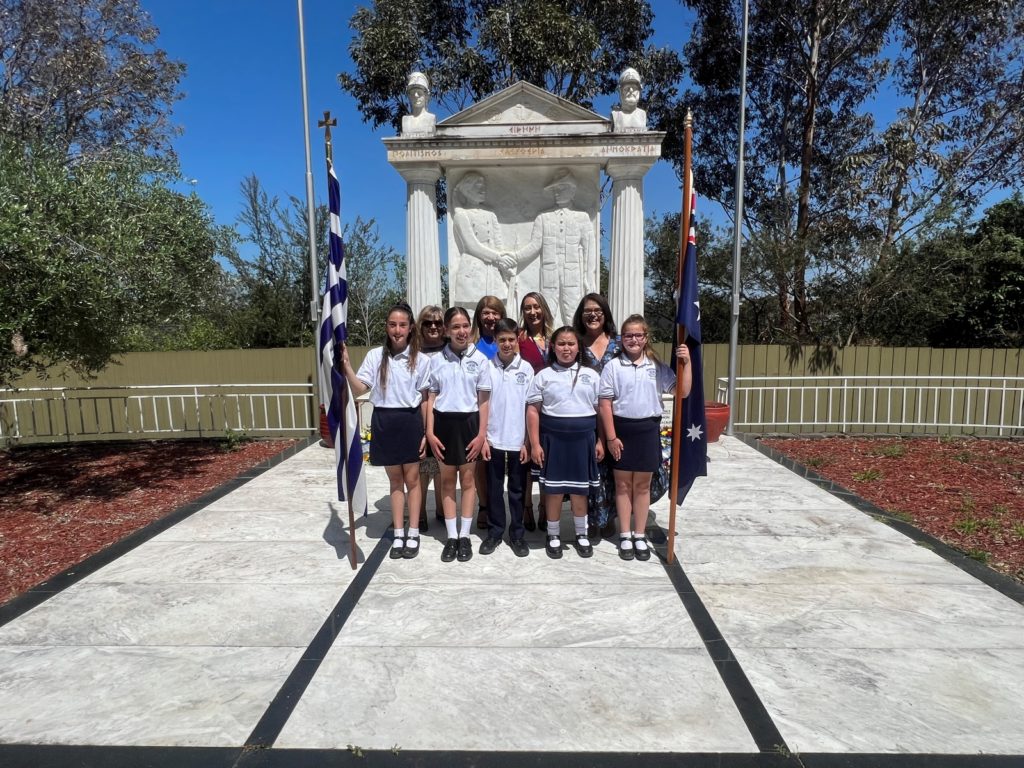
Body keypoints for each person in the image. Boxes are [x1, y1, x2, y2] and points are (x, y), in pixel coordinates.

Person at [340, 303, 429, 560]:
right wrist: (346, 366)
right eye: (393, 324)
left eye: (402, 325)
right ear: (386, 327)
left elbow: (424, 399)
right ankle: (398, 531)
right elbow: (360, 389)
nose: (397, 330)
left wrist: (424, 432)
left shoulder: (420, 360)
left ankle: (413, 532)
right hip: (384, 420)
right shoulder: (375, 356)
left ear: (411, 328)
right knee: (395, 481)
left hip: (410, 421)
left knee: (412, 480)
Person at [599, 315, 690, 561]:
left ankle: (639, 534)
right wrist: (610, 438)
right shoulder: (613, 367)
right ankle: (625, 534)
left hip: (648, 431)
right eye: (628, 335)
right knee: (622, 486)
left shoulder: (656, 367)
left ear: (646, 338)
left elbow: (682, 391)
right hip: (621, 431)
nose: (633, 339)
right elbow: (605, 404)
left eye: (638, 335)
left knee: (641, 487)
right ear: (622, 339)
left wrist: (687, 363)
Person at [526, 327, 604, 559]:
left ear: (578, 347)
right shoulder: (543, 375)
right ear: (553, 347)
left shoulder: (592, 376)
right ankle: (553, 534)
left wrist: (601, 440)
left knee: (581, 492)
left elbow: (601, 411)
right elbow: (533, 411)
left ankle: (581, 533)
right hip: (553, 442)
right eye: (561, 344)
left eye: (571, 344)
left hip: (584, 442)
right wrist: (535, 444)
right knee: (554, 491)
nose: (566, 348)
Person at [426, 307, 492, 563]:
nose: (461, 331)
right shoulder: (436, 360)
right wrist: (430, 432)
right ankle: (451, 536)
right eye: (455, 327)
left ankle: (465, 535)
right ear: (446, 330)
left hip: (469, 425)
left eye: (465, 326)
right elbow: (431, 397)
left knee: (468, 482)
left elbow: (484, 400)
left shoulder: (481, 360)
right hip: (443, 424)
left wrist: (481, 435)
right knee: (446, 481)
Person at [513, 168, 596, 326]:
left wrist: (588, 276)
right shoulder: (543, 218)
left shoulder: (582, 218)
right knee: (547, 313)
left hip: (573, 274)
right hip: (549, 273)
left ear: (572, 191)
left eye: (561, 188)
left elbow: (589, 249)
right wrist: (514, 257)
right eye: (555, 190)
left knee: (574, 312)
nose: (557, 193)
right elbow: (534, 246)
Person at [479, 319, 534, 557]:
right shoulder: (486, 366)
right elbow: (482, 402)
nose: (507, 344)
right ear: (496, 340)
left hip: (518, 440)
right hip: (492, 440)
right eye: (502, 339)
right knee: (493, 489)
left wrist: (527, 442)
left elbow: (531, 408)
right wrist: (483, 438)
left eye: (511, 339)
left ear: (517, 338)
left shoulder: (527, 369)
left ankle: (517, 533)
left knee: (517, 490)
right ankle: (495, 532)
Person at [572, 293, 621, 537]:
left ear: (605, 314)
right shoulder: (575, 343)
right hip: (586, 416)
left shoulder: (620, 342)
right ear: (581, 316)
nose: (593, 315)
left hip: (617, 416)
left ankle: (610, 516)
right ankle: (591, 519)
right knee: (591, 469)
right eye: (587, 311)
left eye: (598, 310)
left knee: (615, 469)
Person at [516, 291, 555, 530]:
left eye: (536, 307)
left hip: (551, 406)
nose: (532, 312)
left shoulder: (554, 337)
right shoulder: (519, 338)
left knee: (546, 458)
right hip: (527, 403)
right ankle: (527, 506)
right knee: (529, 456)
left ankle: (544, 506)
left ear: (544, 309)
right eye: (528, 308)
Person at [452, 173, 515, 309]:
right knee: (472, 310)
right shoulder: (461, 215)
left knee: (496, 308)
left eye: (483, 186)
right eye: (478, 186)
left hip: (492, 270)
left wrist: (505, 266)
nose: (483, 190)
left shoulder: (491, 214)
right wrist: (498, 258)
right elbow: (471, 245)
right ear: (467, 191)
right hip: (473, 268)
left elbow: (498, 244)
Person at [471, 296, 507, 527]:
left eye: (495, 312)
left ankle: (521, 506)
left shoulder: (509, 340)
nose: (490, 317)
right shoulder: (472, 342)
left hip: (506, 408)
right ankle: (484, 505)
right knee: (480, 463)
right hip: (479, 409)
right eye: (486, 312)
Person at [415, 305, 446, 528]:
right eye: (428, 322)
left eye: (437, 322)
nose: (433, 327)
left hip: (445, 414)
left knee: (442, 465)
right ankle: (421, 511)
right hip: (418, 413)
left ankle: (443, 510)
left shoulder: (451, 350)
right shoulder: (413, 351)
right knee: (423, 466)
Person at [611, 67, 647, 132]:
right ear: (620, 91)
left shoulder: (642, 114)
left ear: (639, 91)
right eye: (627, 88)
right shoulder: (615, 115)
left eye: (634, 88)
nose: (631, 90)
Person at [401, 71, 436, 135]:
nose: (416, 95)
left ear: (426, 96)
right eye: (412, 93)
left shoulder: (431, 118)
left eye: (419, 93)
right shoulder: (405, 119)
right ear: (409, 96)